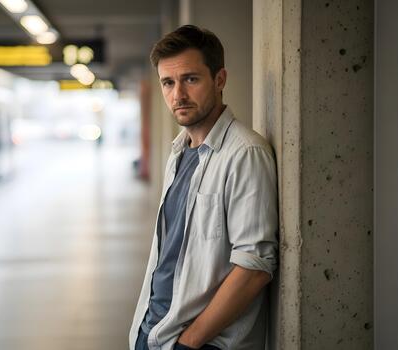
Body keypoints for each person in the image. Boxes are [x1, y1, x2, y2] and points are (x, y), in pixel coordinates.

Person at [129, 25, 279, 350]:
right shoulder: (179, 153)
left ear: (220, 79)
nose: (178, 95)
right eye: (168, 82)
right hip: (155, 330)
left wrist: (190, 342)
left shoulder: (244, 153)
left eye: (191, 79)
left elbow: (255, 264)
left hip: (201, 343)